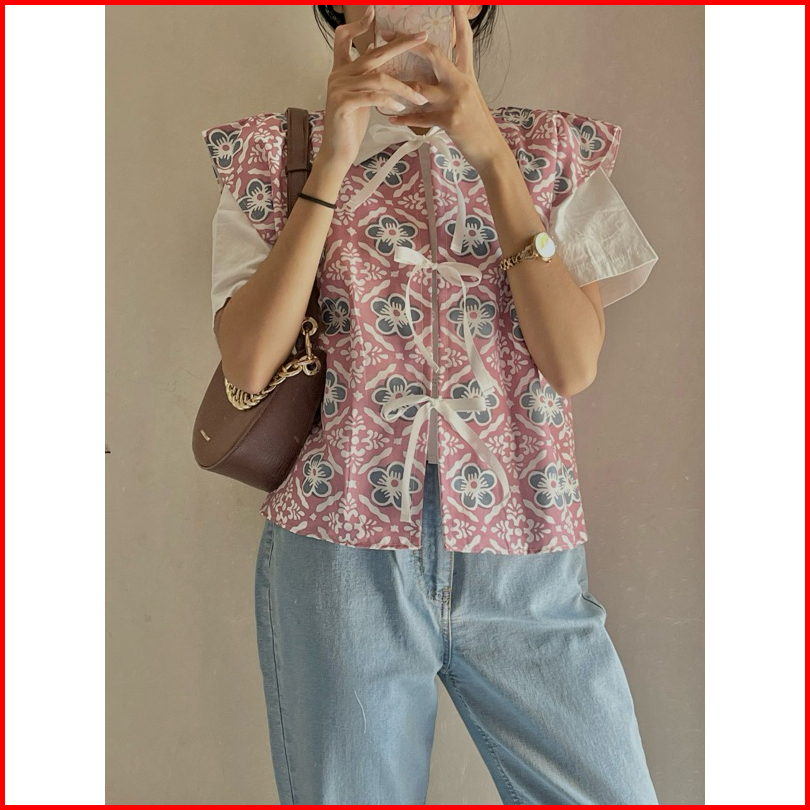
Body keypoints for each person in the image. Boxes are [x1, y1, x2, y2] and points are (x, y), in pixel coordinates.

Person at [201, 5, 660, 804]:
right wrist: (333, 161)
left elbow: (572, 362)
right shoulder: (273, 156)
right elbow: (247, 361)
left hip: (525, 551)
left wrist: (490, 154)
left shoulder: (554, 153)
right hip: (339, 554)